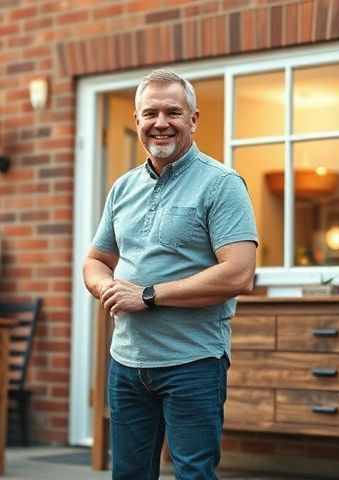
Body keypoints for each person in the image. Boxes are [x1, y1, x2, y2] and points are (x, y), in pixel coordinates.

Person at [82, 69, 258, 480]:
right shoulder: (122, 188)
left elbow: (239, 273)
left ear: (193, 120)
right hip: (126, 363)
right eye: (150, 113)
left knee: (193, 474)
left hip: (193, 363)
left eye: (173, 112)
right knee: (129, 475)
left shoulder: (221, 184)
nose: (160, 123)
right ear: (137, 121)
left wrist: (146, 295)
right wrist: (107, 287)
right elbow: (95, 260)